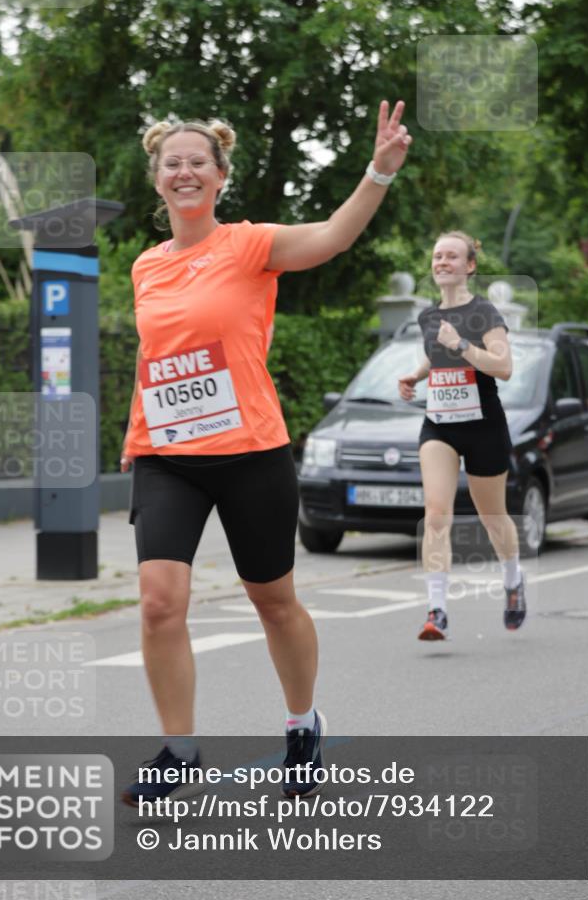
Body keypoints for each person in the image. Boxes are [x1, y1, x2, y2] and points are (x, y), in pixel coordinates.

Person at [120, 100, 412, 805]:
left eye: (197, 162)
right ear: (157, 180)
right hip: (168, 457)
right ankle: (179, 749)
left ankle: (302, 723)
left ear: (218, 175)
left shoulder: (250, 245)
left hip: (251, 450)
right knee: (160, 603)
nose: (184, 172)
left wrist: (377, 170)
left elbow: (334, 237)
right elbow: (155, 358)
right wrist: (136, 436)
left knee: (273, 601)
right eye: (172, 164)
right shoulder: (146, 266)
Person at [398, 232, 527, 640]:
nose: (442, 262)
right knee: (436, 514)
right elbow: (435, 351)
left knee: (493, 518)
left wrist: (463, 344)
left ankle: (513, 578)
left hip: (484, 425)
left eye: (452, 256)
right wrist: (416, 375)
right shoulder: (427, 316)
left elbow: (503, 367)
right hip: (439, 423)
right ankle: (437, 611)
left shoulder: (484, 313)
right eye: (437, 256)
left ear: (469, 266)